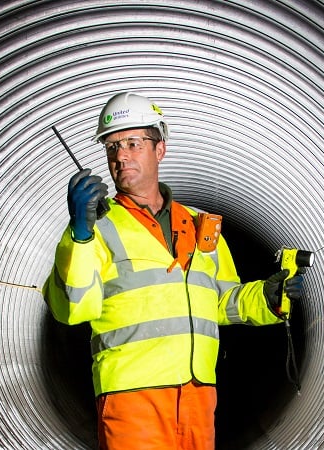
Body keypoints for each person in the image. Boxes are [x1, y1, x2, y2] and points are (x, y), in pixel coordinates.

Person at [43, 92, 305, 450]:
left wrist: (267, 298)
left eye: (134, 143)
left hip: (197, 395)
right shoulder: (95, 229)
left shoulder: (199, 224)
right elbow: (71, 308)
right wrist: (80, 234)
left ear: (159, 149)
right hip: (132, 399)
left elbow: (221, 300)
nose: (121, 155)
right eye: (113, 146)